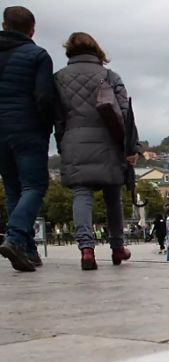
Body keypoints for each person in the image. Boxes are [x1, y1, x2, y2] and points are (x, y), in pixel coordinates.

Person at [54, 32, 138, 270]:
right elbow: (125, 114)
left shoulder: (58, 78)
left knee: (81, 194)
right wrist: (131, 147)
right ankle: (117, 248)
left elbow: (57, 118)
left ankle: (87, 249)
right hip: (108, 142)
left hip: (73, 140)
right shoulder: (110, 76)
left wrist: (62, 143)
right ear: (97, 51)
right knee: (113, 197)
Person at [0, 6, 55, 272]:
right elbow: (44, 97)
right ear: (32, 29)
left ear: (3, 24)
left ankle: (27, 250)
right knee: (34, 186)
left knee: (12, 188)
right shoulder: (38, 55)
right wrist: (47, 126)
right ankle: (14, 238)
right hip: (27, 128)